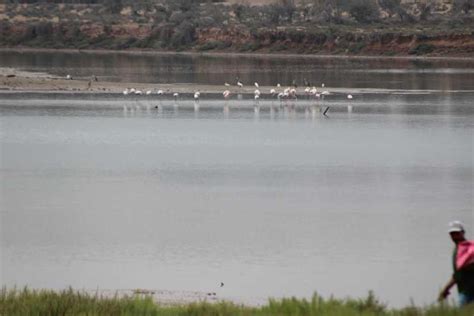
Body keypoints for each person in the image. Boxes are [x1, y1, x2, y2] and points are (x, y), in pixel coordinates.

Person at [439, 221, 474, 306]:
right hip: (464, 289)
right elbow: (458, 274)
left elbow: (459, 274)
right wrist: (446, 290)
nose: (454, 236)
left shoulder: (469, 249)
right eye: (452, 233)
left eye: (457, 233)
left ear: (463, 232)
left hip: (468, 291)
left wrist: (445, 289)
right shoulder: (457, 250)